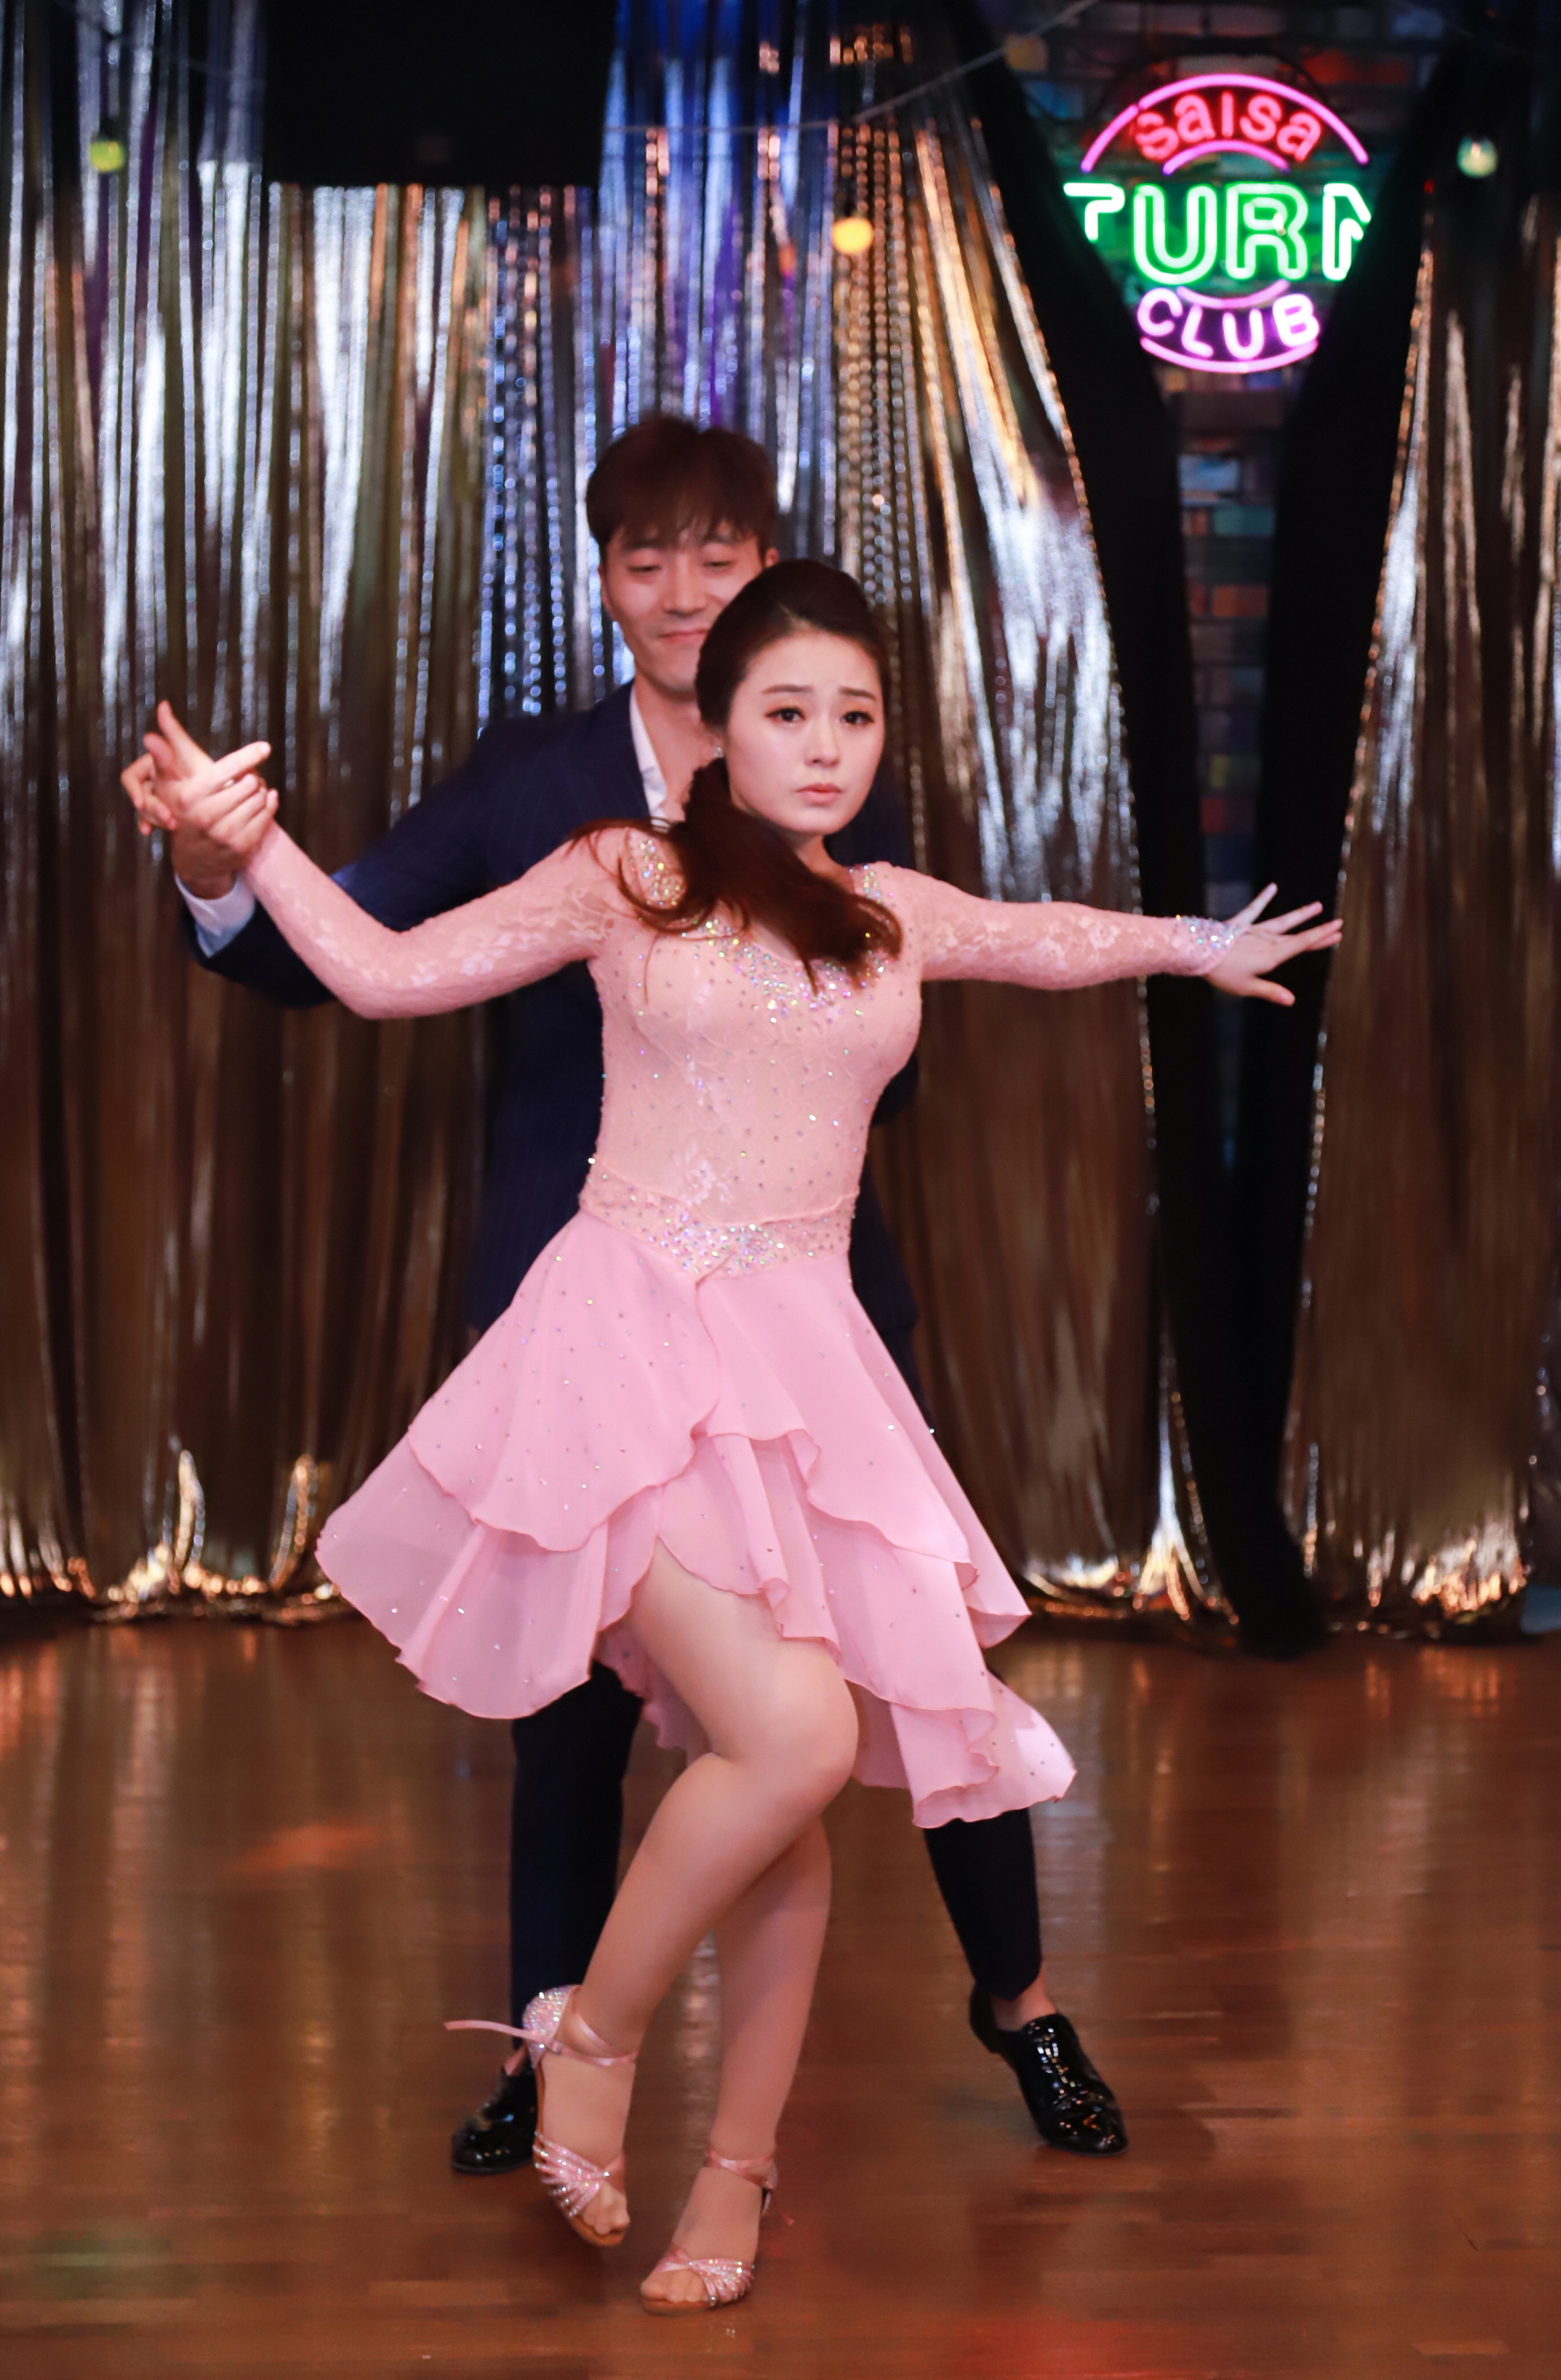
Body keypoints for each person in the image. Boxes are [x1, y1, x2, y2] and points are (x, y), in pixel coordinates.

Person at [147, 561, 1338, 2311]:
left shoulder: (887, 908)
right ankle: (589, 2036)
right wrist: (242, 851)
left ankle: (734, 2177)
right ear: (719, 726)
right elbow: (390, 974)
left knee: (786, 1803)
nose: (827, 744)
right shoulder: (626, 872)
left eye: (857, 714)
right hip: (628, 1350)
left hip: (808, 1376)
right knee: (793, 1736)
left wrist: (1195, 944)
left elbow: (1042, 934)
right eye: (790, 710)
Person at [121, 416, 1128, 2169]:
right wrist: (223, 864)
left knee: (912, 1656)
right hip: (581, 1308)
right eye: (645, 556)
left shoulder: (831, 764)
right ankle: (547, 2039)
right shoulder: (537, 779)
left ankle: (1021, 2002)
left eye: (716, 554)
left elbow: (906, 1008)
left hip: (806, 1316)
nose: (682, 587)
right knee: (570, 1715)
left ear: (766, 578)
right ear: (603, 580)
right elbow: (347, 946)